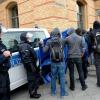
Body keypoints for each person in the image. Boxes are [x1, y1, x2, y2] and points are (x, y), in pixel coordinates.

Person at [39, 28, 68, 97]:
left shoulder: (49, 41)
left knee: (53, 77)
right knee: (62, 77)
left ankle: (53, 92)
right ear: (58, 33)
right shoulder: (62, 40)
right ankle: (63, 93)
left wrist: (41, 44)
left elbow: (44, 51)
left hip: (53, 62)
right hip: (61, 61)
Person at [18, 32, 41, 98]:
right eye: (28, 38)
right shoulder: (24, 45)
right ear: (25, 38)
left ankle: (34, 92)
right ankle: (33, 94)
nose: (30, 39)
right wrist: (31, 65)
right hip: (31, 65)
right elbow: (26, 58)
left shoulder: (25, 44)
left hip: (32, 64)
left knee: (34, 78)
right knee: (32, 79)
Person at [0, 28, 11, 100]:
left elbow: (5, 51)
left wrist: (9, 54)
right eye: (1, 32)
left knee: (7, 90)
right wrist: (4, 56)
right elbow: (3, 55)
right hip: (0, 74)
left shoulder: (1, 43)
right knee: (3, 93)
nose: (2, 34)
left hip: (4, 72)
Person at [92, 21, 100, 87]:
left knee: (98, 67)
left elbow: (90, 43)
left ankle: (99, 83)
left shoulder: (92, 32)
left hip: (96, 52)